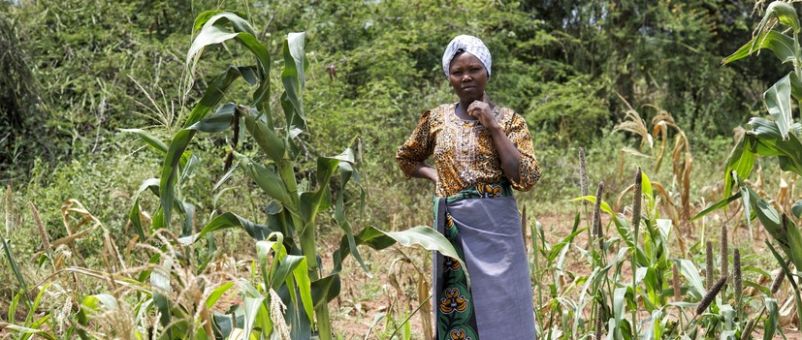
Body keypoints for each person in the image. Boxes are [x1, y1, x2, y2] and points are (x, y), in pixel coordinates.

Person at [396, 35, 541, 340]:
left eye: (474, 69)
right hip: (453, 227)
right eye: (457, 71)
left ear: (487, 71)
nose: (466, 77)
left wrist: (493, 125)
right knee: (457, 305)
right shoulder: (435, 120)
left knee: (506, 304)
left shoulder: (511, 121)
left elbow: (525, 177)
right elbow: (406, 158)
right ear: (448, 76)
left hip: (497, 227)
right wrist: (435, 176)